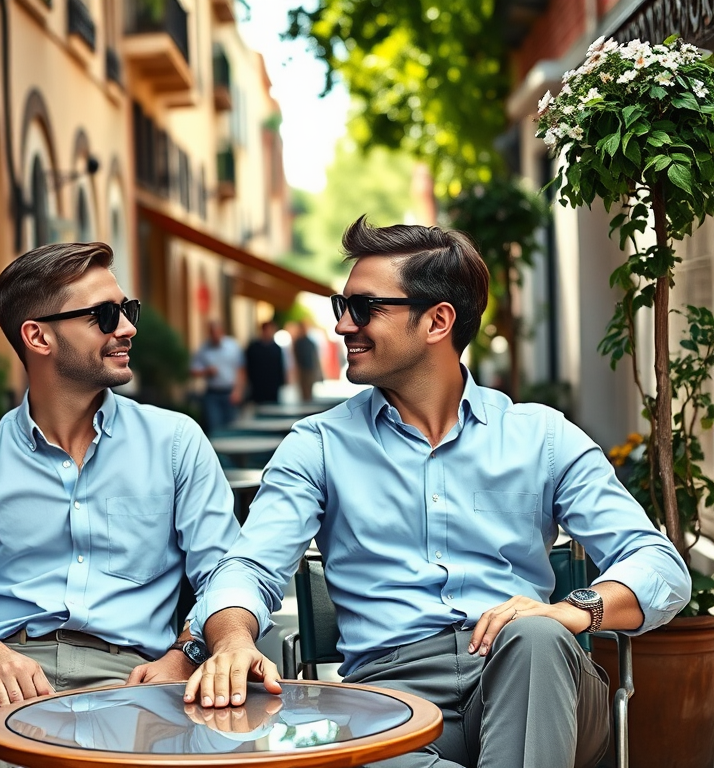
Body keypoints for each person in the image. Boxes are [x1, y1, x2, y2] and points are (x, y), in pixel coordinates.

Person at [184, 219, 691, 768]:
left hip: (536, 681)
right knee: (355, 751)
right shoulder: (319, 446)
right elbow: (249, 565)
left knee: (537, 637)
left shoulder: (541, 436)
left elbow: (660, 565)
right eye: (341, 305)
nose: (341, 326)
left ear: (437, 321)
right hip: (393, 707)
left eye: (364, 308)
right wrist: (233, 638)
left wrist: (576, 610)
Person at [0, 242, 241, 768]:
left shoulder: (176, 442)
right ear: (38, 336)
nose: (126, 328)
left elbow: (224, 574)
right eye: (105, 316)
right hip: (5, 669)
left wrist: (185, 654)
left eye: (128, 311)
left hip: (133, 672)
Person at [190, 319, 245, 432]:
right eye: (212, 333)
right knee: (214, 427)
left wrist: (238, 391)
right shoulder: (204, 349)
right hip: (212, 394)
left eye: (217, 332)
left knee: (232, 427)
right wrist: (206, 372)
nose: (215, 336)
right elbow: (193, 370)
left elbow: (240, 370)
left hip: (229, 392)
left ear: (222, 332)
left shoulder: (233, 347)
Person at [244, 320, 285, 404]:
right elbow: (248, 366)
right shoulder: (253, 348)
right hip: (258, 386)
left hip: (273, 386)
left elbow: (280, 366)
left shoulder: (276, 348)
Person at [292, 319, 322, 402]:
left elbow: (315, 357)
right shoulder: (298, 342)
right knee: (303, 388)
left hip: (310, 367)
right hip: (302, 368)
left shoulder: (310, 342)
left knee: (309, 388)